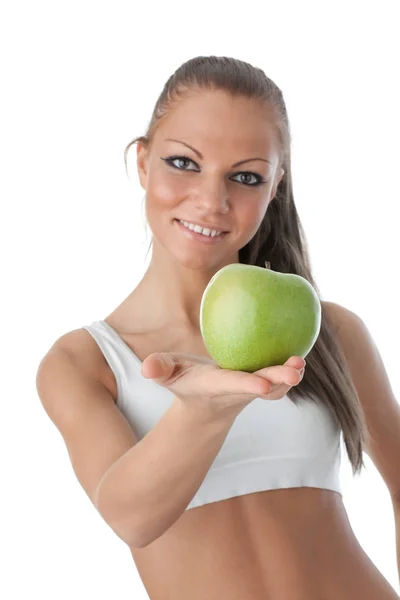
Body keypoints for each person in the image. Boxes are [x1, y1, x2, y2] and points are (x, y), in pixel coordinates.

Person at [36, 56, 400, 599]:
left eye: (246, 176)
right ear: (142, 162)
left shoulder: (329, 334)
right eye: (183, 163)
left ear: (276, 184)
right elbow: (132, 518)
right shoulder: (86, 362)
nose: (211, 200)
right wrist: (203, 409)